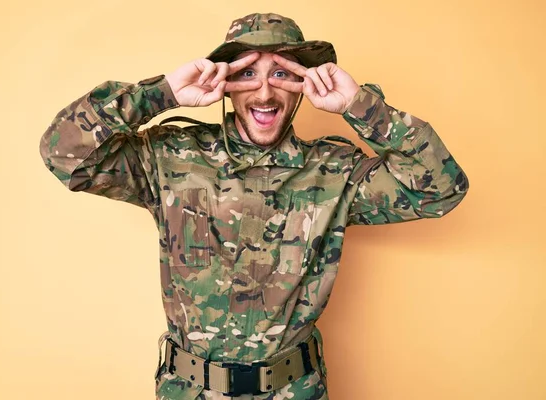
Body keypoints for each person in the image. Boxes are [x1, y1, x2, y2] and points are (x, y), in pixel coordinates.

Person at [40, 12, 469, 400]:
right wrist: (162, 94)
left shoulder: (335, 171)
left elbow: (441, 190)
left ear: (306, 83)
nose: (265, 92)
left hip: (294, 391)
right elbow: (64, 153)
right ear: (223, 81)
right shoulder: (168, 158)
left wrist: (361, 107)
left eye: (281, 72)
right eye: (247, 73)